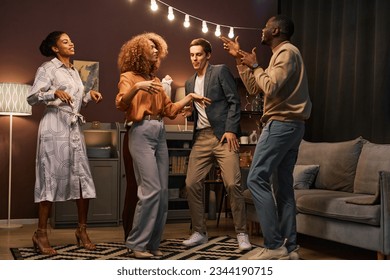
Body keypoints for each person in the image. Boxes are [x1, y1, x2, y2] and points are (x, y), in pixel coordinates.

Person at [221, 15, 312, 260]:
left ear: (275, 30)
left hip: (282, 124)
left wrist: (255, 66)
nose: (262, 30)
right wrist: (242, 61)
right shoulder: (280, 56)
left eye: (265, 26)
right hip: (291, 126)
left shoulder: (286, 53)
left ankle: (273, 245)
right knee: (283, 188)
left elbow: (270, 87)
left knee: (256, 179)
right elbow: (255, 88)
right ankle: (290, 249)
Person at [115, 32, 210, 259]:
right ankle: (137, 243)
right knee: (150, 190)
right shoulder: (128, 77)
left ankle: (152, 243)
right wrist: (138, 88)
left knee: (163, 192)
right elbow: (120, 103)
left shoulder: (156, 81)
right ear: (139, 51)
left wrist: (190, 98)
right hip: (141, 132)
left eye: (158, 48)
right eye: (152, 46)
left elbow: (168, 110)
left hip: (159, 132)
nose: (157, 51)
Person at [27, 31, 103, 255]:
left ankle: (82, 230)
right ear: (54, 48)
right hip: (53, 129)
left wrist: (89, 97)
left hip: (73, 129)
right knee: (49, 177)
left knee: (82, 179)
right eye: (65, 41)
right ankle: (41, 233)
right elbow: (32, 97)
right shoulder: (47, 69)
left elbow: (74, 102)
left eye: (71, 40)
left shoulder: (73, 71)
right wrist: (52, 93)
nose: (71, 43)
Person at [182, 38, 252, 251]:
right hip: (201, 138)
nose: (195, 58)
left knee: (232, 184)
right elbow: (199, 113)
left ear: (208, 55)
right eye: (192, 54)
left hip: (223, 136)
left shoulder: (220, 72)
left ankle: (241, 233)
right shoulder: (189, 83)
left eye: (199, 54)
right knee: (191, 183)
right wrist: (189, 113)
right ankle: (200, 232)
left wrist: (231, 130)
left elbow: (234, 101)